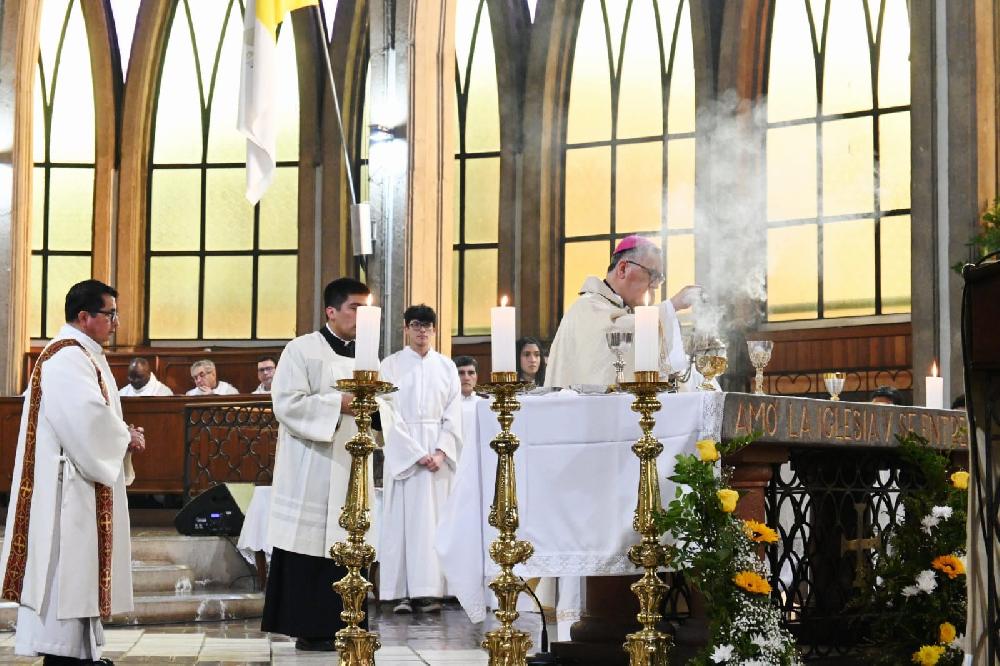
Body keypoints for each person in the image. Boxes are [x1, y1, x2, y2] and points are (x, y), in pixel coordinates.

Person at [0, 279, 145, 663]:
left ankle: (80, 654)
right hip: (68, 493)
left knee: (79, 574)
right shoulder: (66, 357)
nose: (116, 322)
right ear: (84, 316)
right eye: (109, 314)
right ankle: (65, 655)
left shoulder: (84, 353)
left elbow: (94, 417)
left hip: (80, 483)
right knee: (67, 572)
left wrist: (120, 435)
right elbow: (83, 418)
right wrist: (123, 437)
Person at [261, 278, 375, 652]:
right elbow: (287, 403)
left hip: (351, 467)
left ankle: (350, 621)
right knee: (308, 546)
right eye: (355, 308)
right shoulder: (301, 349)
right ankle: (309, 626)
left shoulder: (369, 355)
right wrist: (336, 404)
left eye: (366, 308)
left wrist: (376, 413)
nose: (362, 315)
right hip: (312, 464)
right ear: (331, 311)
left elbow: (387, 407)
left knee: (348, 542)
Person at [378, 305, 463, 614]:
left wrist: (441, 451)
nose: (422, 331)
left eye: (427, 326)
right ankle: (400, 592)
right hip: (406, 457)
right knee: (404, 524)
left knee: (435, 524)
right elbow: (387, 413)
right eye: (416, 325)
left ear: (434, 330)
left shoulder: (447, 367)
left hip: (438, 458)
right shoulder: (391, 365)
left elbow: (454, 413)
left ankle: (432, 592)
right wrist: (415, 453)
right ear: (406, 329)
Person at [545, 234, 702, 389]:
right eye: (652, 275)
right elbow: (618, 334)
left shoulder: (621, 310)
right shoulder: (586, 307)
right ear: (622, 269)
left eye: (659, 279)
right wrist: (672, 306)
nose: (655, 286)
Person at [454, 356, 482, 460]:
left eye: (471, 373)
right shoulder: (444, 405)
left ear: (476, 376)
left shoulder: (485, 404)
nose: (466, 378)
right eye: (461, 373)